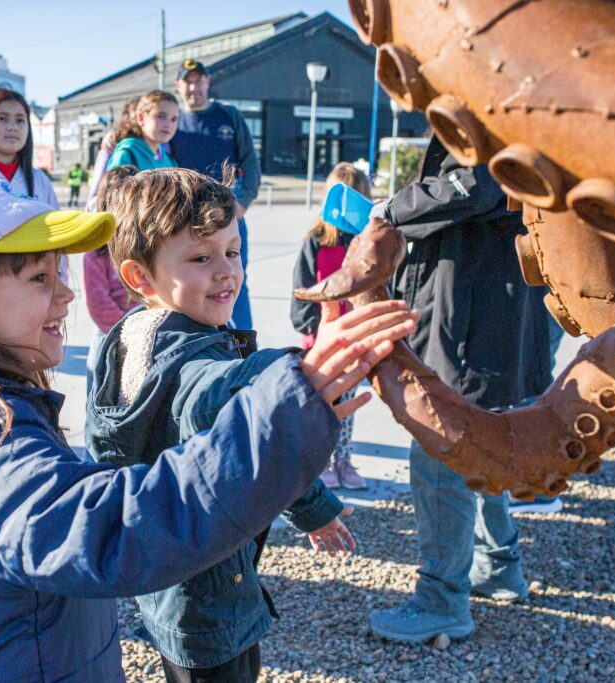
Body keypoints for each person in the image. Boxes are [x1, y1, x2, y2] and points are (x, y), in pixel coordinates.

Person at [0, 177, 398, 682]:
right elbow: (105, 532)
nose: (67, 293)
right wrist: (289, 394)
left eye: (59, 273)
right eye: (39, 279)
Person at [86, 166, 418, 682]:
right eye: (200, 258)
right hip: (210, 585)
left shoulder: (126, 338)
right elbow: (223, 399)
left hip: (169, 577)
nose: (226, 272)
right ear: (140, 277)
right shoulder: (191, 357)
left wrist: (311, 508)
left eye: (233, 252)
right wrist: (296, 378)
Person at [367, 136, 552, 643]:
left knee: (440, 450)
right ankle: (498, 566)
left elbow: (473, 185)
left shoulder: (484, 108)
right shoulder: (514, 103)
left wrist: (390, 208)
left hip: (469, 317)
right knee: (484, 444)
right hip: (489, 310)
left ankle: (442, 599)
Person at [292, 162, 373, 490]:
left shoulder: (367, 242)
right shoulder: (315, 241)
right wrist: (310, 326)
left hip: (354, 334)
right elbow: (301, 287)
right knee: (322, 401)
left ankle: (344, 459)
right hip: (321, 338)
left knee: (348, 402)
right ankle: (321, 460)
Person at [172, 60, 260, 330]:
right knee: (188, 285)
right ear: (178, 86)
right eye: (187, 81)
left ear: (208, 82)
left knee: (233, 282)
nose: (193, 86)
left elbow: (252, 165)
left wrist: (241, 205)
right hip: (186, 222)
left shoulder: (229, 116)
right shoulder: (173, 121)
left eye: (198, 80)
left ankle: (243, 348)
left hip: (226, 219)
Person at [82, 180, 132, 395]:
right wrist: (126, 331)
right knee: (100, 392)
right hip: (110, 334)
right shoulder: (97, 253)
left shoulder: (146, 247)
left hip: (147, 334)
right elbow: (98, 302)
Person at [85, 97, 138, 210]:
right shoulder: (113, 144)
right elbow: (97, 191)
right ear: (127, 117)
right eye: (136, 115)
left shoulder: (160, 146)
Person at [106, 89, 178, 171]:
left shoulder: (170, 161)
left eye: (174, 119)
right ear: (140, 118)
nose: (168, 124)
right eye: (161, 116)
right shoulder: (127, 154)